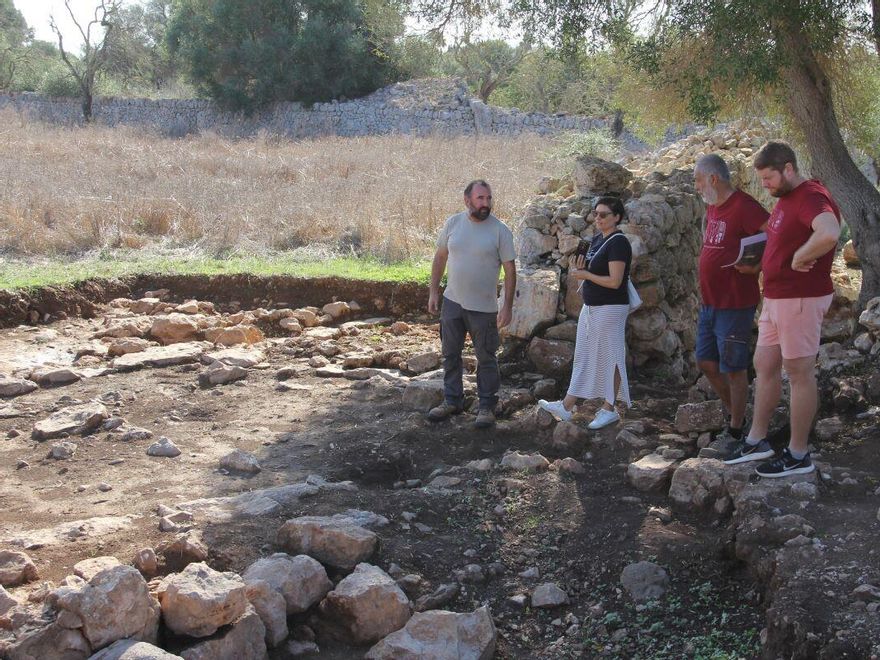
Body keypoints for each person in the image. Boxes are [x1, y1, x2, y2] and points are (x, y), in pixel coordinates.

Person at [727, 141, 840, 477]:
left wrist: (801, 257)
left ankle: (798, 454)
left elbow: (830, 231)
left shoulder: (811, 196)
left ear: (788, 168)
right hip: (777, 298)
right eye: (761, 179)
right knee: (764, 364)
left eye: (769, 178)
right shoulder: (787, 198)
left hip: (800, 298)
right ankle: (757, 440)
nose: (765, 184)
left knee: (799, 372)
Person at [692, 154, 769, 461]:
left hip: (735, 303)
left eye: (698, 180)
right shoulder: (712, 208)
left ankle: (737, 431)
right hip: (710, 303)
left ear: (713, 179)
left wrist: (758, 266)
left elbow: (773, 235)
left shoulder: (745, 206)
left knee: (734, 368)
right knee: (706, 362)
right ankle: (735, 413)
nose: (696, 186)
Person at [427, 180, 516, 429]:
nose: (485, 203)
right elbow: (440, 257)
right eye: (480, 198)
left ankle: (486, 406)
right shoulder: (453, 223)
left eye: (488, 198)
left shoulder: (500, 230)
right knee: (450, 354)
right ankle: (452, 400)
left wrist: (507, 305)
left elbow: (510, 271)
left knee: (486, 357)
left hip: (484, 307)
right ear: (467, 200)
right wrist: (434, 291)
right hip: (453, 302)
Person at [538, 196, 633, 430]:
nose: (597, 218)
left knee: (612, 356)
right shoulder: (600, 239)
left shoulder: (619, 243)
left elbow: (615, 281)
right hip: (592, 307)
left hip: (610, 308)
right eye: (596, 214)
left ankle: (609, 409)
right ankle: (567, 405)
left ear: (617, 217)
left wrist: (587, 275)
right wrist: (582, 269)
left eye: (603, 215)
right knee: (585, 354)